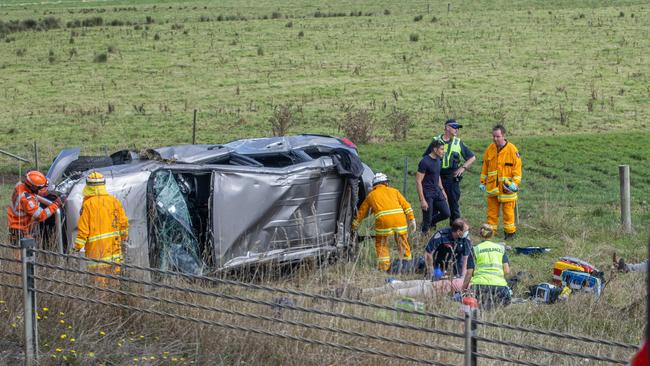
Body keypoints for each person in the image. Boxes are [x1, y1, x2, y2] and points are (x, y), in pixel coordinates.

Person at [74, 172, 129, 286]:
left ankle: (102, 303)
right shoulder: (113, 201)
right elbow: (123, 223)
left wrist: (77, 247)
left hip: (96, 252)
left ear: (88, 186)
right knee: (114, 283)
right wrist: (122, 238)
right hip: (114, 250)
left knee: (99, 285)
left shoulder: (88, 204)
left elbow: (83, 229)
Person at [352, 172, 416, 271]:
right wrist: (412, 219)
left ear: (374, 185)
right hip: (400, 221)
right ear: (385, 183)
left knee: (381, 243)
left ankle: (384, 267)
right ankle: (407, 264)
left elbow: (361, 213)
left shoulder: (371, 195)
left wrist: (354, 225)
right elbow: (406, 206)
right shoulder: (395, 191)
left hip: (384, 222)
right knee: (402, 241)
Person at [423, 119, 476, 225]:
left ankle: (455, 231)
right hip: (436, 176)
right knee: (434, 205)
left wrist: (463, 168)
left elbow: (472, 157)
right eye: (454, 127)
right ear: (447, 127)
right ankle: (430, 229)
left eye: (458, 128)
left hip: (452, 178)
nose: (457, 130)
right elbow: (425, 158)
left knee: (454, 206)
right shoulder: (436, 140)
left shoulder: (458, 142)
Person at [479, 124, 522, 240]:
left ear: (503, 135)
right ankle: (490, 233)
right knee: (491, 213)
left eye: (497, 136)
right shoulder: (490, 149)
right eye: (493, 136)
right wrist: (482, 182)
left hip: (507, 189)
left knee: (508, 213)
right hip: (492, 188)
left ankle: (510, 234)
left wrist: (515, 184)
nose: (495, 139)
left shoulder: (512, 150)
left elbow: (517, 170)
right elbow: (485, 167)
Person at [7, 170, 62, 247]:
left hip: (17, 227)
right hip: (20, 231)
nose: (42, 189)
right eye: (40, 188)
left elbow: (29, 192)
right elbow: (40, 215)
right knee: (22, 256)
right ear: (33, 187)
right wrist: (55, 205)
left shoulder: (20, 186)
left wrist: (43, 192)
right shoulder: (27, 200)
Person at [462, 224, 511, 309]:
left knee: (477, 306)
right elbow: (506, 270)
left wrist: (464, 289)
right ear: (492, 234)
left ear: (480, 234)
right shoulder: (501, 248)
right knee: (504, 304)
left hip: (479, 286)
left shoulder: (475, 249)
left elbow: (469, 273)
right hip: (499, 286)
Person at [416, 139, 449, 234]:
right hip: (427, 193)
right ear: (435, 149)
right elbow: (418, 181)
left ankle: (430, 222)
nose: (443, 151)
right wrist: (422, 200)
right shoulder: (424, 162)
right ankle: (423, 238)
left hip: (437, 192)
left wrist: (442, 190)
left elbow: (437, 175)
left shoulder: (438, 160)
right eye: (442, 149)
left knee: (446, 213)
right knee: (427, 219)